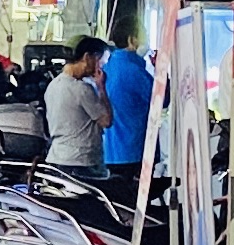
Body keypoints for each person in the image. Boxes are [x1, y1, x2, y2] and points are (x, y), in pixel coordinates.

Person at [44, 36, 110, 174]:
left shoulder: (53, 86)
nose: (101, 67)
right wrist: (101, 88)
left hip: (57, 158)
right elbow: (106, 120)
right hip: (82, 161)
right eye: (100, 61)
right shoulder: (82, 89)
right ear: (87, 57)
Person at [101, 27, 155, 190]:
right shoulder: (134, 70)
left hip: (110, 150)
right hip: (134, 150)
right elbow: (161, 100)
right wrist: (161, 71)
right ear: (132, 40)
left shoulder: (108, 67)